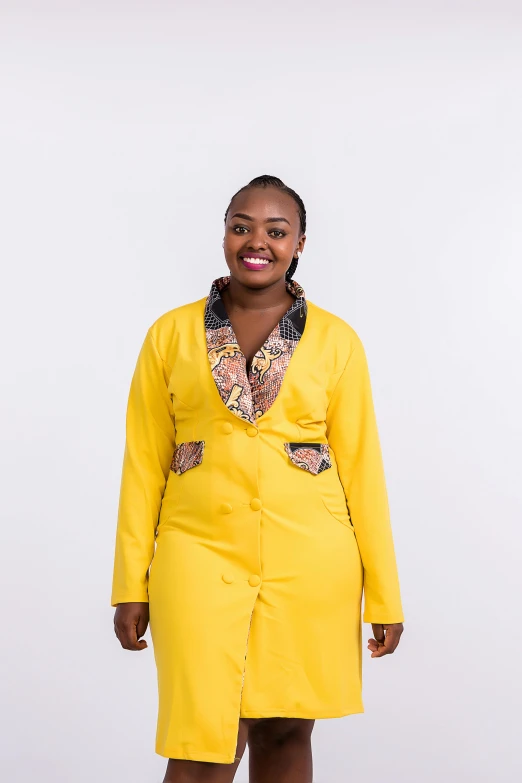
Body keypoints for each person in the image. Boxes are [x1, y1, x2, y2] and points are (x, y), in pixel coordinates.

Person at [111, 175, 405, 783]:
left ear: (300, 243)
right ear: (224, 234)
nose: (257, 242)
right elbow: (142, 466)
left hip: (310, 562)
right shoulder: (169, 335)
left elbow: (363, 471)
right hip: (196, 553)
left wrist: (384, 595)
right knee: (202, 739)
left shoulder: (336, 341)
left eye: (277, 231)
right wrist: (128, 586)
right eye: (242, 226)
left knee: (285, 727)